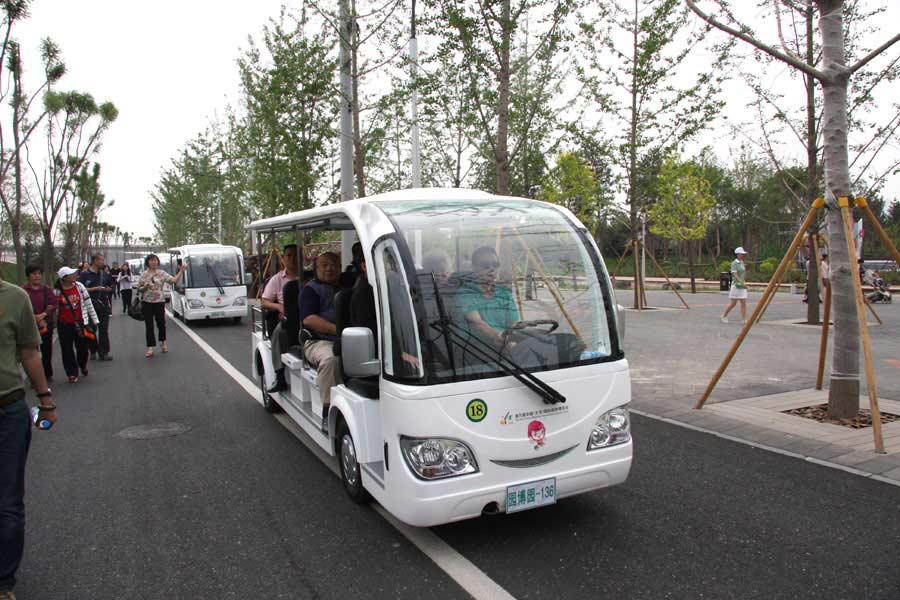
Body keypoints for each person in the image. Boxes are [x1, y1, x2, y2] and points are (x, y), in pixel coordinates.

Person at [0, 271, 56, 600]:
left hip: (7, 409)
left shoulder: (14, 298)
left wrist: (45, 399)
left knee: (7, 500)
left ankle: (4, 580)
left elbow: (29, 353)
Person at [299, 252, 343, 421]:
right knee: (331, 360)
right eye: (324, 265)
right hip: (318, 341)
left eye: (333, 265)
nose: (329, 268)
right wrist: (338, 330)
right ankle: (328, 411)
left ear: (340, 268)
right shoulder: (310, 290)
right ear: (316, 269)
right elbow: (309, 320)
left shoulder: (347, 287)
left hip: (348, 338)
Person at [457, 246, 520, 349]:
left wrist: (512, 340)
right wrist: (501, 339)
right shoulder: (465, 293)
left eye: (495, 265)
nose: (491, 269)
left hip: (505, 345)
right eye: (485, 265)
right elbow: (477, 324)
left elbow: (513, 324)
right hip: (475, 351)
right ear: (473, 268)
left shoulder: (504, 293)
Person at [260, 244, 299, 392]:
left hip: (308, 314)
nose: (293, 259)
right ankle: (279, 375)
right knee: (278, 333)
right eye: (289, 255)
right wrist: (279, 307)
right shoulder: (277, 279)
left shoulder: (309, 276)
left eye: (296, 255)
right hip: (288, 318)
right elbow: (264, 301)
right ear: (284, 258)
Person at [137, 253, 186, 358]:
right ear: (148, 262)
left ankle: (163, 342)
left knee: (161, 323)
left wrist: (181, 271)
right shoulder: (144, 274)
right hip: (147, 302)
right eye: (151, 260)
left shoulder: (162, 273)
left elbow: (173, 280)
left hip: (159, 302)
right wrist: (145, 287)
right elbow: (139, 289)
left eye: (155, 260)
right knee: (149, 325)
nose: (154, 262)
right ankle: (150, 347)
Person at [55, 266, 98, 382]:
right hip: (64, 324)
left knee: (83, 348)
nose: (74, 275)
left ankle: (82, 365)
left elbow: (88, 303)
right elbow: (55, 308)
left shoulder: (79, 286)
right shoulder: (57, 291)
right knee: (66, 349)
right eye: (71, 274)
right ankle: (71, 373)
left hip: (80, 322)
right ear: (64, 278)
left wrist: (95, 320)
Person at [21, 265, 57, 381]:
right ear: (28, 276)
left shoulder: (46, 289)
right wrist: (34, 317)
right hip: (29, 325)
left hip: (46, 324)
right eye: (34, 274)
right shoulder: (22, 291)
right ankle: (34, 377)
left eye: (39, 274)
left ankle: (47, 374)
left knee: (46, 351)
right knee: (32, 353)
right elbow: (20, 308)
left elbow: (53, 304)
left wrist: (42, 316)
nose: (37, 276)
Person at [80, 254, 114, 361]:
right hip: (90, 305)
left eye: (103, 260)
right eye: (101, 260)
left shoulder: (105, 275)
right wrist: (95, 288)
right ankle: (93, 350)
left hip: (103, 304)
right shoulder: (84, 275)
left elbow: (111, 285)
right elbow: (81, 289)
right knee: (91, 329)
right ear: (95, 261)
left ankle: (103, 352)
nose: (103, 262)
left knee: (104, 329)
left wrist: (109, 289)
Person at [721, 247, 749, 324]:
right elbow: (735, 275)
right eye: (741, 254)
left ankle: (744, 319)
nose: (743, 255)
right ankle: (724, 315)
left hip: (742, 285)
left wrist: (744, 282)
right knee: (733, 303)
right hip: (736, 285)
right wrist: (743, 284)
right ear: (737, 254)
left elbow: (743, 273)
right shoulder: (734, 263)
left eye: (744, 254)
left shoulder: (742, 262)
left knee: (743, 302)